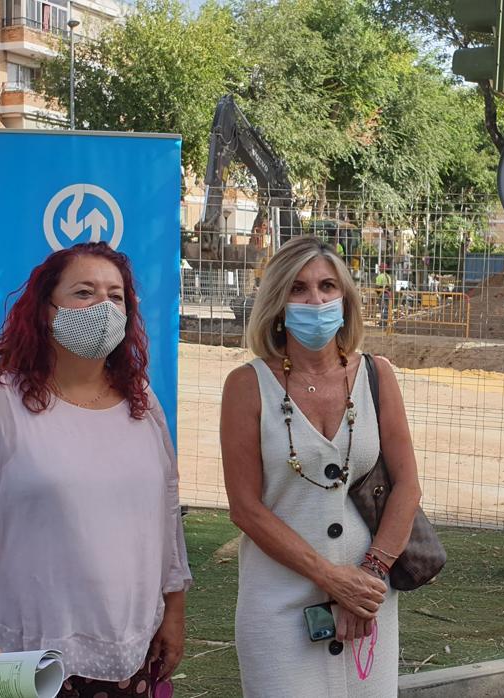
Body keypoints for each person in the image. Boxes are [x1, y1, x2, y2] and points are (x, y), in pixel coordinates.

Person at [0, 242, 191, 697]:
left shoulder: (142, 403)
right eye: (83, 293)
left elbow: (165, 516)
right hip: (17, 658)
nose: (102, 307)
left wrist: (174, 610)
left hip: (131, 653)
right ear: (45, 310)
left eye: (115, 296)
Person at [220, 237, 422, 697]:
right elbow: (245, 508)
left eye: (328, 286)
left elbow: (407, 486)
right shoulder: (247, 386)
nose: (316, 300)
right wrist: (331, 578)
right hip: (280, 605)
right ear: (277, 303)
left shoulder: (377, 375)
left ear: (346, 300)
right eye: (299, 289)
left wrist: (368, 578)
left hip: (369, 601)